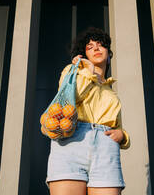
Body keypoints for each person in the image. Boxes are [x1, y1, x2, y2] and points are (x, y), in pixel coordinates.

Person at [46, 27, 130, 195]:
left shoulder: (110, 91)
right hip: (72, 143)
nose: (96, 48)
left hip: (106, 150)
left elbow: (116, 125)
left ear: (108, 51)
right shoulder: (72, 72)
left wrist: (123, 136)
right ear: (83, 54)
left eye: (100, 45)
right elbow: (72, 98)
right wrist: (85, 69)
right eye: (90, 47)